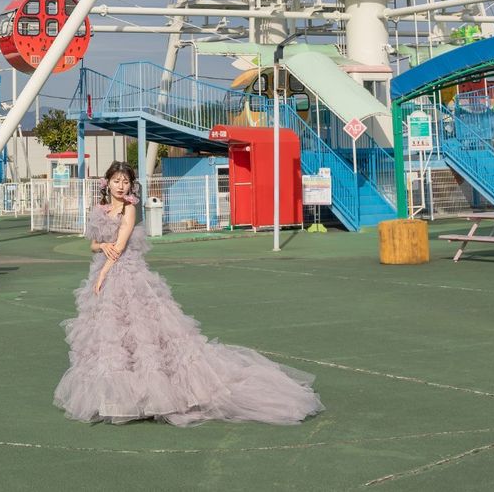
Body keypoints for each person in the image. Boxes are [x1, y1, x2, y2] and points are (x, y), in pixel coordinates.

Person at [53, 161, 323, 426]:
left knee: (144, 331)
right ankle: (114, 397)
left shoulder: (129, 210)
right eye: (117, 181)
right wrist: (101, 247)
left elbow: (121, 246)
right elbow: (92, 244)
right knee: (111, 336)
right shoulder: (99, 210)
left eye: (126, 182)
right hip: (105, 272)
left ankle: (155, 394)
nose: (121, 186)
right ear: (107, 182)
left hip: (127, 275)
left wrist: (102, 273)